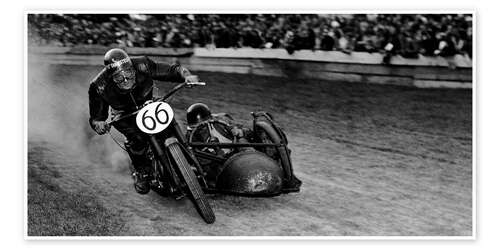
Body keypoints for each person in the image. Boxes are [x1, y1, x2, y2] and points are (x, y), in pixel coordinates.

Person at [88, 48, 199, 194]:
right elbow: (96, 117)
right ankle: (141, 172)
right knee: (137, 138)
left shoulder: (143, 64)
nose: (125, 80)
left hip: (148, 103)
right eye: (119, 78)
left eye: (128, 73)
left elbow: (172, 70)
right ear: (111, 77)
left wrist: (186, 76)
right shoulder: (98, 86)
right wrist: (99, 124)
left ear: (132, 68)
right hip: (123, 114)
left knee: (168, 122)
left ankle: (188, 159)